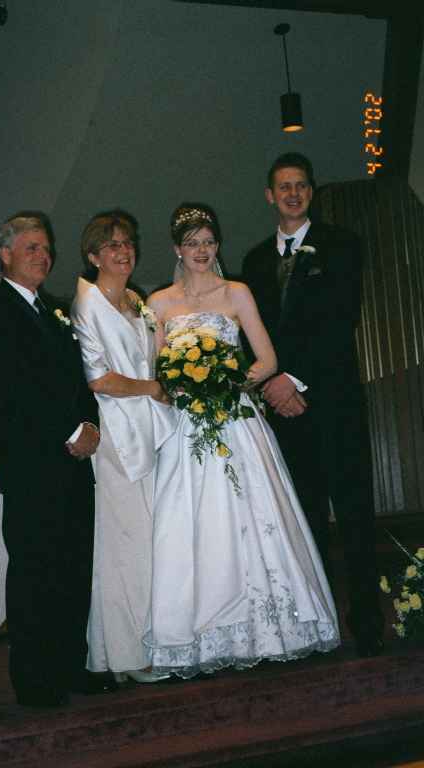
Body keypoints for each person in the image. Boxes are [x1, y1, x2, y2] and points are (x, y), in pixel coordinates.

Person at [146, 204, 340, 678]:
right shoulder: (159, 303)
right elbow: (156, 371)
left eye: (208, 242)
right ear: (177, 249)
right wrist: (183, 386)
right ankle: (198, 631)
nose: (201, 251)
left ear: (218, 246)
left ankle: (272, 626)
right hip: (187, 427)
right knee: (191, 520)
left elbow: (267, 359)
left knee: (252, 516)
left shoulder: (237, 293)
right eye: (192, 243)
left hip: (234, 417)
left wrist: (229, 381)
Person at [242, 153, 384, 657]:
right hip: (284, 414)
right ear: (269, 194)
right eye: (284, 186)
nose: (293, 193)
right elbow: (248, 335)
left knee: (354, 515)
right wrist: (270, 390)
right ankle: (319, 628)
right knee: (302, 521)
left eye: (301, 185)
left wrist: (293, 380)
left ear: (312, 192)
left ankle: (368, 626)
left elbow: (338, 320)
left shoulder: (343, 246)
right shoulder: (255, 261)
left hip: (334, 403)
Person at [0, 212, 113, 707]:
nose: (43, 255)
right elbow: (12, 390)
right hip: (31, 466)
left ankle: (72, 666)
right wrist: (68, 429)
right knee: (35, 570)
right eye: (31, 247)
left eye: (47, 247)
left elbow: (80, 379)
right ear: (5, 254)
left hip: (73, 462)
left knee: (74, 566)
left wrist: (90, 424)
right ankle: (35, 680)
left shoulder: (56, 310)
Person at [71, 211, 178, 683]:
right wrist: (150, 388)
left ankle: (147, 642)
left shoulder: (136, 300)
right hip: (115, 435)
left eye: (128, 243)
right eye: (111, 245)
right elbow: (97, 379)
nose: (123, 251)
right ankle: (128, 654)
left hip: (150, 429)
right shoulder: (86, 304)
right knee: (125, 543)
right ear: (93, 255)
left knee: (150, 542)